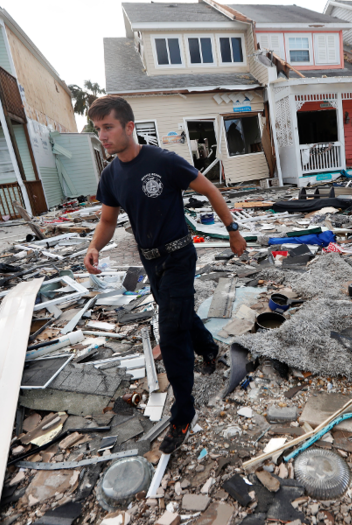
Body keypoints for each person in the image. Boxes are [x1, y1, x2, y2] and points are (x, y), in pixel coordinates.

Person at [84, 95, 246, 454]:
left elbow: (209, 189)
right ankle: (209, 349)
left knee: (170, 332)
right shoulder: (111, 175)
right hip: (150, 261)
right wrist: (95, 246)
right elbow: (108, 221)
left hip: (178, 256)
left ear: (128, 127)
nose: (103, 137)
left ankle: (183, 414)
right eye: (98, 130)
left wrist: (233, 229)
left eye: (108, 127)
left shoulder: (163, 161)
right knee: (180, 314)